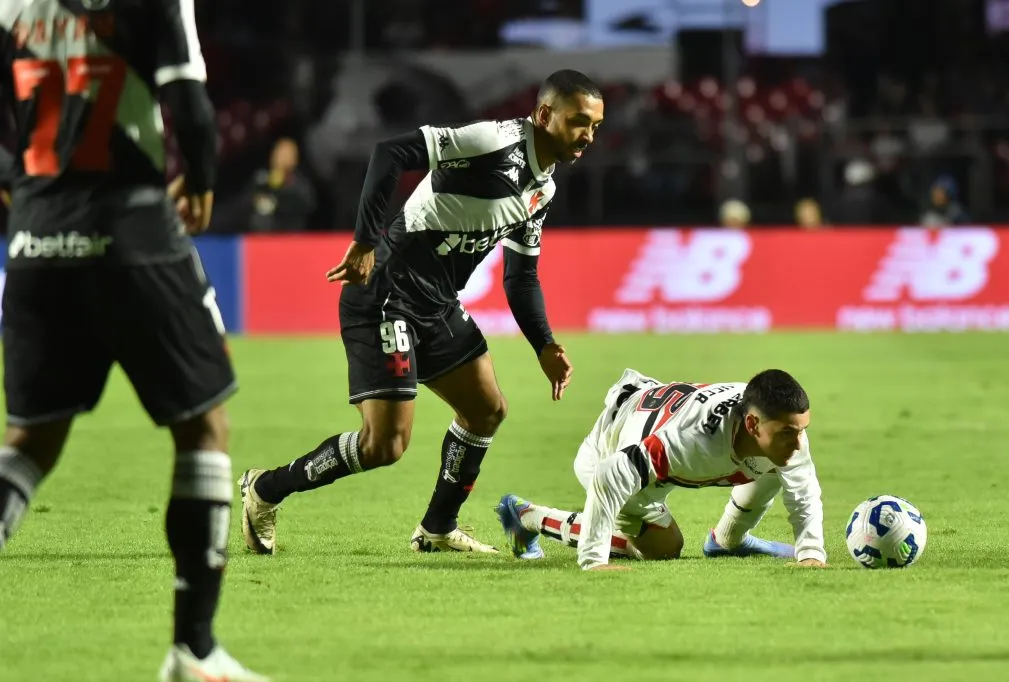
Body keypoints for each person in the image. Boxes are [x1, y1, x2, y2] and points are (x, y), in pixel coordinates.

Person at [0, 2, 265, 680]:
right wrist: (201, 179)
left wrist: (24, 194)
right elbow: (191, 109)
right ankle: (194, 650)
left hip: (33, 241)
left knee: (31, 440)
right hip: (132, 235)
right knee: (204, 428)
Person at [237, 69, 603, 556]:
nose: (588, 135)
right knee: (384, 446)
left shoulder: (543, 189)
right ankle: (266, 489)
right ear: (543, 114)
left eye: (595, 125)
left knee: (486, 409)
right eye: (579, 121)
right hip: (386, 292)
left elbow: (521, 277)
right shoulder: (489, 141)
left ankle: (436, 528)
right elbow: (391, 152)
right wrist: (365, 241)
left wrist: (545, 345)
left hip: (437, 303)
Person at [495, 368, 827, 571]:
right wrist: (594, 561)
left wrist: (810, 553)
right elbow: (610, 474)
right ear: (752, 424)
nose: (799, 442)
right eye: (789, 432)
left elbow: (803, 490)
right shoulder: (692, 442)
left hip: (656, 410)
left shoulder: (780, 425)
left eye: (802, 429)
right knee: (665, 549)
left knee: (779, 462)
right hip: (612, 448)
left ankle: (728, 540)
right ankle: (526, 517)